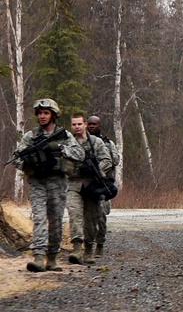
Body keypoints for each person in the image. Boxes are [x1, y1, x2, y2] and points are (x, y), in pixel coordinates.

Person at [9, 99, 84, 272]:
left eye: (46, 113)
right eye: (40, 113)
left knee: (56, 220)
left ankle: (52, 258)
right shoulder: (31, 135)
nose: (42, 116)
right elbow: (17, 159)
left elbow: (79, 154)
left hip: (57, 182)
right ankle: (39, 256)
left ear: (54, 115)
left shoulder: (64, 135)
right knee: (39, 218)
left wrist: (58, 148)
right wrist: (31, 163)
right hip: (37, 182)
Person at [64, 113, 112, 264]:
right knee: (75, 214)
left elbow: (107, 160)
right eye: (74, 124)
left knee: (91, 219)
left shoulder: (96, 142)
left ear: (84, 124)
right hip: (73, 184)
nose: (77, 127)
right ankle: (77, 248)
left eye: (79, 124)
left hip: (92, 186)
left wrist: (97, 170)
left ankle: (89, 248)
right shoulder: (67, 142)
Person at [86, 115, 120, 258]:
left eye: (95, 124)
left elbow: (116, 160)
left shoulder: (108, 143)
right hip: (88, 184)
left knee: (101, 216)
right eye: (90, 124)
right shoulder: (82, 141)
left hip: (104, 183)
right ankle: (87, 245)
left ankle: (100, 243)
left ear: (99, 126)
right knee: (88, 216)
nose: (92, 126)